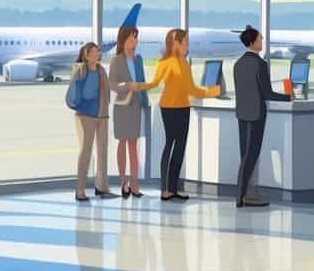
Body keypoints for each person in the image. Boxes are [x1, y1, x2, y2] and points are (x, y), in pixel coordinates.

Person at [144, 28, 220, 201]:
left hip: (184, 107)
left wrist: (211, 91)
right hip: (169, 108)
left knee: (180, 148)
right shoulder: (165, 62)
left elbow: (191, 89)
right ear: (175, 43)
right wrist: (212, 91)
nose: (188, 45)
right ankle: (164, 190)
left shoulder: (185, 63)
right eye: (185, 42)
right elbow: (155, 83)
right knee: (170, 144)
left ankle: (173, 188)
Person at [233, 25, 290, 208]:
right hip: (257, 114)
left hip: (242, 113)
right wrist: (288, 96)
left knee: (245, 155)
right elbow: (267, 93)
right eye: (260, 39)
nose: (262, 41)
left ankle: (244, 195)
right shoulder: (260, 64)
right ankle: (241, 196)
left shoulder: (238, 63)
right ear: (252, 42)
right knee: (251, 155)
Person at [110, 25, 150, 199]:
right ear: (123, 40)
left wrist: (144, 99)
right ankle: (123, 182)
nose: (134, 42)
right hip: (122, 106)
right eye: (131, 39)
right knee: (122, 142)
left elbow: (142, 81)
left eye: (136, 38)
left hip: (136, 105)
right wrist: (128, 86)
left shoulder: (139, 59)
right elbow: (112, 85)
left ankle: (135, 184)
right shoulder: (116, 60)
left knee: (134, 145)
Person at [72, 42, 115, 202]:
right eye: (94, 52)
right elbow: (79, 93)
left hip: (102, 115)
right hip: (85, 116)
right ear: (86, 54)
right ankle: (80, 190)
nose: (97, 55)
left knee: (102, 150)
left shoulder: (101, 69)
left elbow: (106, 91)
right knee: (86, 151)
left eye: (98, 52)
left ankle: (102, 186)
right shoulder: (80, 70)